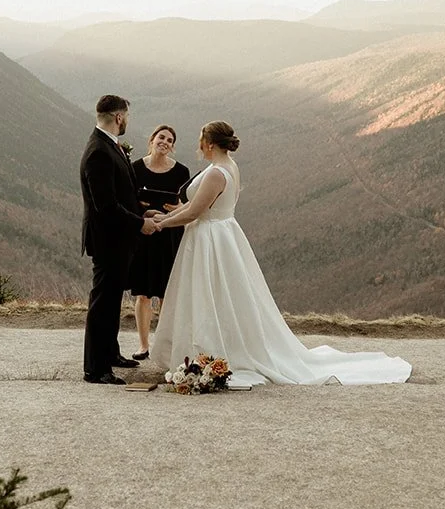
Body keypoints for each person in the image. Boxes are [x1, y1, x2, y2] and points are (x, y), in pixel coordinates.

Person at [148, 121, 411, 387]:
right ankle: (217, 348)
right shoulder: (230, 167)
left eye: (201, 140)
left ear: (210, 143)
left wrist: (160, 224)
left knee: (208, 294)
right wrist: (168, 215)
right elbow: (194, 207)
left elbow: (195, 212)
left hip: (210, 239)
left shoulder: (217, 173)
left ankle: (213, 351)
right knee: (224, 296)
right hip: (223, 235)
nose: (198, 145)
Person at [78, 94, 157, 385]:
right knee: (102, 302)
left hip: (118, 238)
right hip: (108, 239)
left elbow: (121, 192)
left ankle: (110, 354)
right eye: (127, 117)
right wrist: (140, 224)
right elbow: (106, 205)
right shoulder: (99, 151)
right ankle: (95, 369)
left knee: (111, 301)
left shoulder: (110, 146)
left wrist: (142, 208)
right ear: (119, 117)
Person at [127, 124, 191, 360]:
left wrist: (176, 210)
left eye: (170, 140)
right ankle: (143, 345)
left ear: (172, 147)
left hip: (170, 234)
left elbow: (188, 204)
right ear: (151, 140)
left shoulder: (181, 172)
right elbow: (127, 199)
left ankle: (163, 345)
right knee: (143, 293)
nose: (164, 142)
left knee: (166, 292)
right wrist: (143, 212)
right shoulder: (134, 168)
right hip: (144, 233)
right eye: (161, 137)